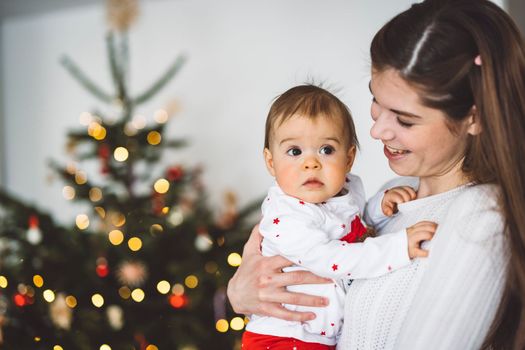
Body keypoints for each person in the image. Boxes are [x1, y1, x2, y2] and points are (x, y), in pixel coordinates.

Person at [227, 0, 525, 349]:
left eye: (404, 119)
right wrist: (242, 293)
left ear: (474, 117)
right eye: (376, 101)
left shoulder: (479, 218)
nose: (377, 131)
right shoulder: (394, 195)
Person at [242, 85, 436, 349]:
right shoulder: (286, 218)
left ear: (349, 158)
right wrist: (398, 247)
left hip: (319, 337)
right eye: (295, 151)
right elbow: (333, 258)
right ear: (271, 162)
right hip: (284, 338)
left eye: (326, 150)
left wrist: (381, 207)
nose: (311, 163)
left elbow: (354, 228)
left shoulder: (345, 190)